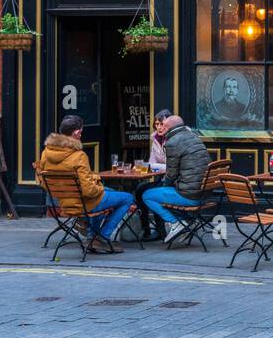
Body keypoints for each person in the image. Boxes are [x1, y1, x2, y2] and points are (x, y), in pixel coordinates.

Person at [37, 115, 132, 254]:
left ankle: (91, 236)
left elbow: (44, 183)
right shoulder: (79, 156)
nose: (81, 134)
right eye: (81, 131)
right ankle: (102, 237)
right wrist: (98, 186)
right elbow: (89, 191)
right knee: (127, 198)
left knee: (107, 192)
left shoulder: (46, 153)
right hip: (83, 203)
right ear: (76, 133)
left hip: (64, 203)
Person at [141, 115, 212, 244]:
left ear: (168, 127)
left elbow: (171, 175)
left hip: (190, 196)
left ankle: (175, 222)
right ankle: (186, 220)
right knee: (159, 191)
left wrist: (163, 187)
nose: (161, 128)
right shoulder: (194, 137)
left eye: (164, 125)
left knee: (147, 195)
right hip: (203, 193)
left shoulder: (172, 142)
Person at [132, 109, 172, 241]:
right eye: (156, 124)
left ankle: (161, 231)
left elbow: (172, 165)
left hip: (173, 180)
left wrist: (155, 167)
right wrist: (142, 167)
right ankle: (146, 230)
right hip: (162, 178)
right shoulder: (155, 139)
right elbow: (152, 162)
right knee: (140, 189)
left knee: (152, 193)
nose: (159, 127)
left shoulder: (173, 139)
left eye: (162, 124)